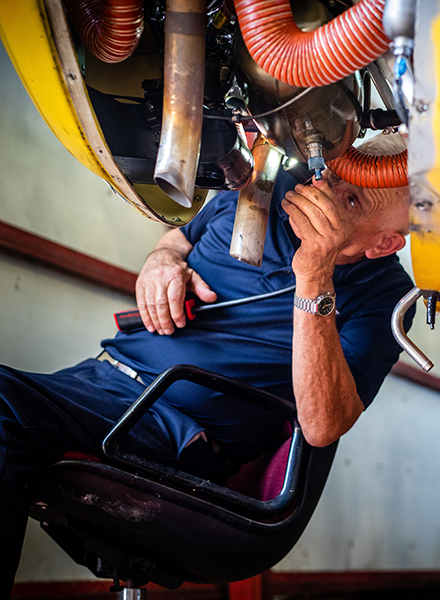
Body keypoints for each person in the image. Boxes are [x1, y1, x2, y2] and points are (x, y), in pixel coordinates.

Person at [0, 133, 415, 596]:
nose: (323, 193)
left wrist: (314, 272)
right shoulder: (265, 186)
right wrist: (162, 259)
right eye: (332, 175)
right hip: (99, 378)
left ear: (384, 243)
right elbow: (180, 235)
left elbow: (323, 426)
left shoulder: (386, 294)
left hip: (171, 425)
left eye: (352, 199)